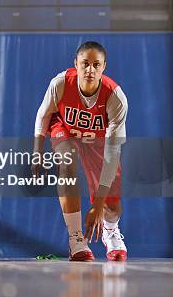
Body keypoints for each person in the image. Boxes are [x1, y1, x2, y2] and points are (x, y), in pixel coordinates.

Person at [33, 41, 128, 261]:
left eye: (96, 64)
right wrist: (37, 151)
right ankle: (76, 238)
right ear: (75, 64)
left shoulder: (115, 98)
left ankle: (110, 231)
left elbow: (113, 155)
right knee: (67, 161)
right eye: (85, 63)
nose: (90, 69)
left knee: (112, 204)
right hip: (65, 130)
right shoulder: (60, 83)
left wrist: (98, 205)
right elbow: (43, 115)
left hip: (98, 141)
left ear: (104, 67)